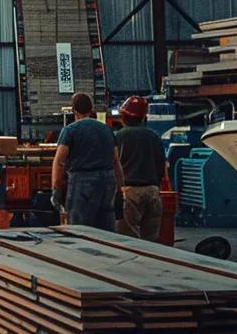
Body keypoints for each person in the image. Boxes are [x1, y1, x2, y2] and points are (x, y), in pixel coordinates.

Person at [52, 92, 122, 229]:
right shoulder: (106, 130)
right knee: (106, 232)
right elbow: (115, 161)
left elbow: (59, 162)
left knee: (80, 231)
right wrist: (119, 189)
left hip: (82, 185)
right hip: (107, 183)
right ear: (91, 110)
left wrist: (56, 189)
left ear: (74, 110)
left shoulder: (70, 130)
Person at [114, 96, 165, 241]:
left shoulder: (119, 137)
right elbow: (161, 165)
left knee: (128, 241)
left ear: (124, 116)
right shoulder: (153, 136)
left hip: (129, 193)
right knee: (151, 241)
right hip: (152, 191)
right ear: (144, 116)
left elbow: (113, 165)